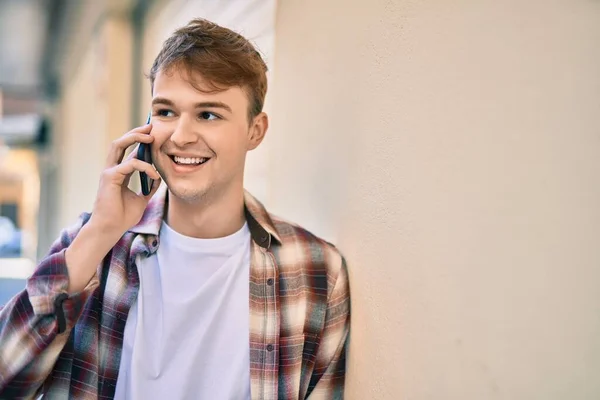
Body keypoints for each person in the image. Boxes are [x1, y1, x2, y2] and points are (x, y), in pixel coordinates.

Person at [0, 18, 350, 400]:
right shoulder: (95, 246)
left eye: (208, 114)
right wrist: (100, 231)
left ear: (256, 131)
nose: (181, 137)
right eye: (166, 112)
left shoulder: (317, 272)